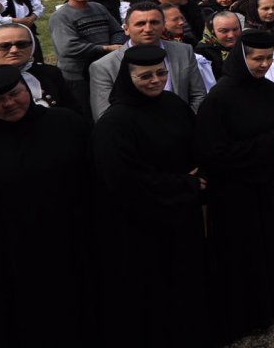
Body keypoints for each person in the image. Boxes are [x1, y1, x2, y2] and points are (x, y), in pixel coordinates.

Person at [0, 65, 95, 346]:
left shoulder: (66, 125)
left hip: (71, 250)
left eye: (15, 93)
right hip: (5, 261)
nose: (9, 104)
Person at [195, 30, 274, 342]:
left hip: (269, 183)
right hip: (237, 192)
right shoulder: (218, 99)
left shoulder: (269, 89)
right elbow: (214, 152)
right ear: (241, 58)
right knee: (246, 252)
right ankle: (254, 309)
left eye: (268, 58)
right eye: (257, 58)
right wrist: (268, 143)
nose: (264, 64)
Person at [91, 44, 208, 347]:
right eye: (145, 76)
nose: (156, 80)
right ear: (128, 78)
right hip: (144, 220)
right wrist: (184, 184)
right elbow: (123, 179)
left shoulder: (172, 103)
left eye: (161, 73)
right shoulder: (114, 123)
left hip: (183, 210)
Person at [89, 1, 210, 121]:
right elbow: (103, 115)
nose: (148, 29)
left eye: (154, 22)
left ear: (163, 26)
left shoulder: (184, 51)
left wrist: (184, 122)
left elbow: (198, 95)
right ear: (126, 29)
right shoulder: (104, 66)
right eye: (140, 24)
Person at [50, 0, 125, 120]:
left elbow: (117, 30)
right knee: (84, 115)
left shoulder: (99, 8)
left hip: (103, 71)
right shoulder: (61, 16)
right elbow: (68, 48)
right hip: (78, 77)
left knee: (106, 111)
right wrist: (106, 48)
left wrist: (117, 44)